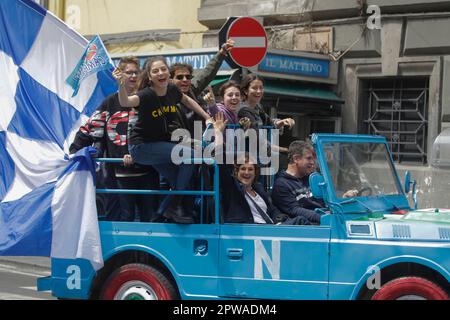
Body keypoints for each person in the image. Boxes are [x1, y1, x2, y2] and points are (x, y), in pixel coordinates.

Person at [112, 56, 213, 224]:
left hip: (159, 146)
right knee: (191, 156)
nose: (161, 73)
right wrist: (121, 84)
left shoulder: (172, 90)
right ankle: (170, 208)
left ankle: (161, 212)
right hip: (142, 147)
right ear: (149, 76)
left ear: (168, 72)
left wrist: (207, 117)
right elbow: (126, 101)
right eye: (155, 71)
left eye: (163, 69)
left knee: (179, 180)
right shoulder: (146, 95)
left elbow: (187, 100)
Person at [69, 56, 160, 222]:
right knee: (121, 221)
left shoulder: (149, 99)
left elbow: (159, 133)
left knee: (150, 222)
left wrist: (139, 155)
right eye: (128, 73)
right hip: (118, 177)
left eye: (136, 72)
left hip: (148, 174)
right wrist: (74, 151)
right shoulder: (110, 102)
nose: (133, 76)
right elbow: (91, 127)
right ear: (119, 75)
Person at [211, 113, 309, 225]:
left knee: (301, 220)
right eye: (243, 169)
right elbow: (219, 159)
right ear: (236, 171)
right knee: (301, 221)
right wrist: (218, 133)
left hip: (270, 229)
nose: (247, 173)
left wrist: (280, 219)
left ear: (255, 172)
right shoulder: (232, 188)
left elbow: (272, 210)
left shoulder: (258, 188)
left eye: (250, 169)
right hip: (249, 231)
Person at [170, 39, 234, 135]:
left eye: (188, 77)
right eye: (179, 77)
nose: (184, 80)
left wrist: (222, 53)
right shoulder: (165, 97)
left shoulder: (192, 89)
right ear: (171, 80)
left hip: (200, 142)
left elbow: (207, 73)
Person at [271, 140, 325, 225]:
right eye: (309, 158)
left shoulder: (312, 178)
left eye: (313, 158)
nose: (313, 162)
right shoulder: (281, 185)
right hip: (308, 228)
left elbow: (326, 200)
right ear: (296, 159)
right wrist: (323, 218)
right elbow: (294, 210)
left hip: (324, 221)